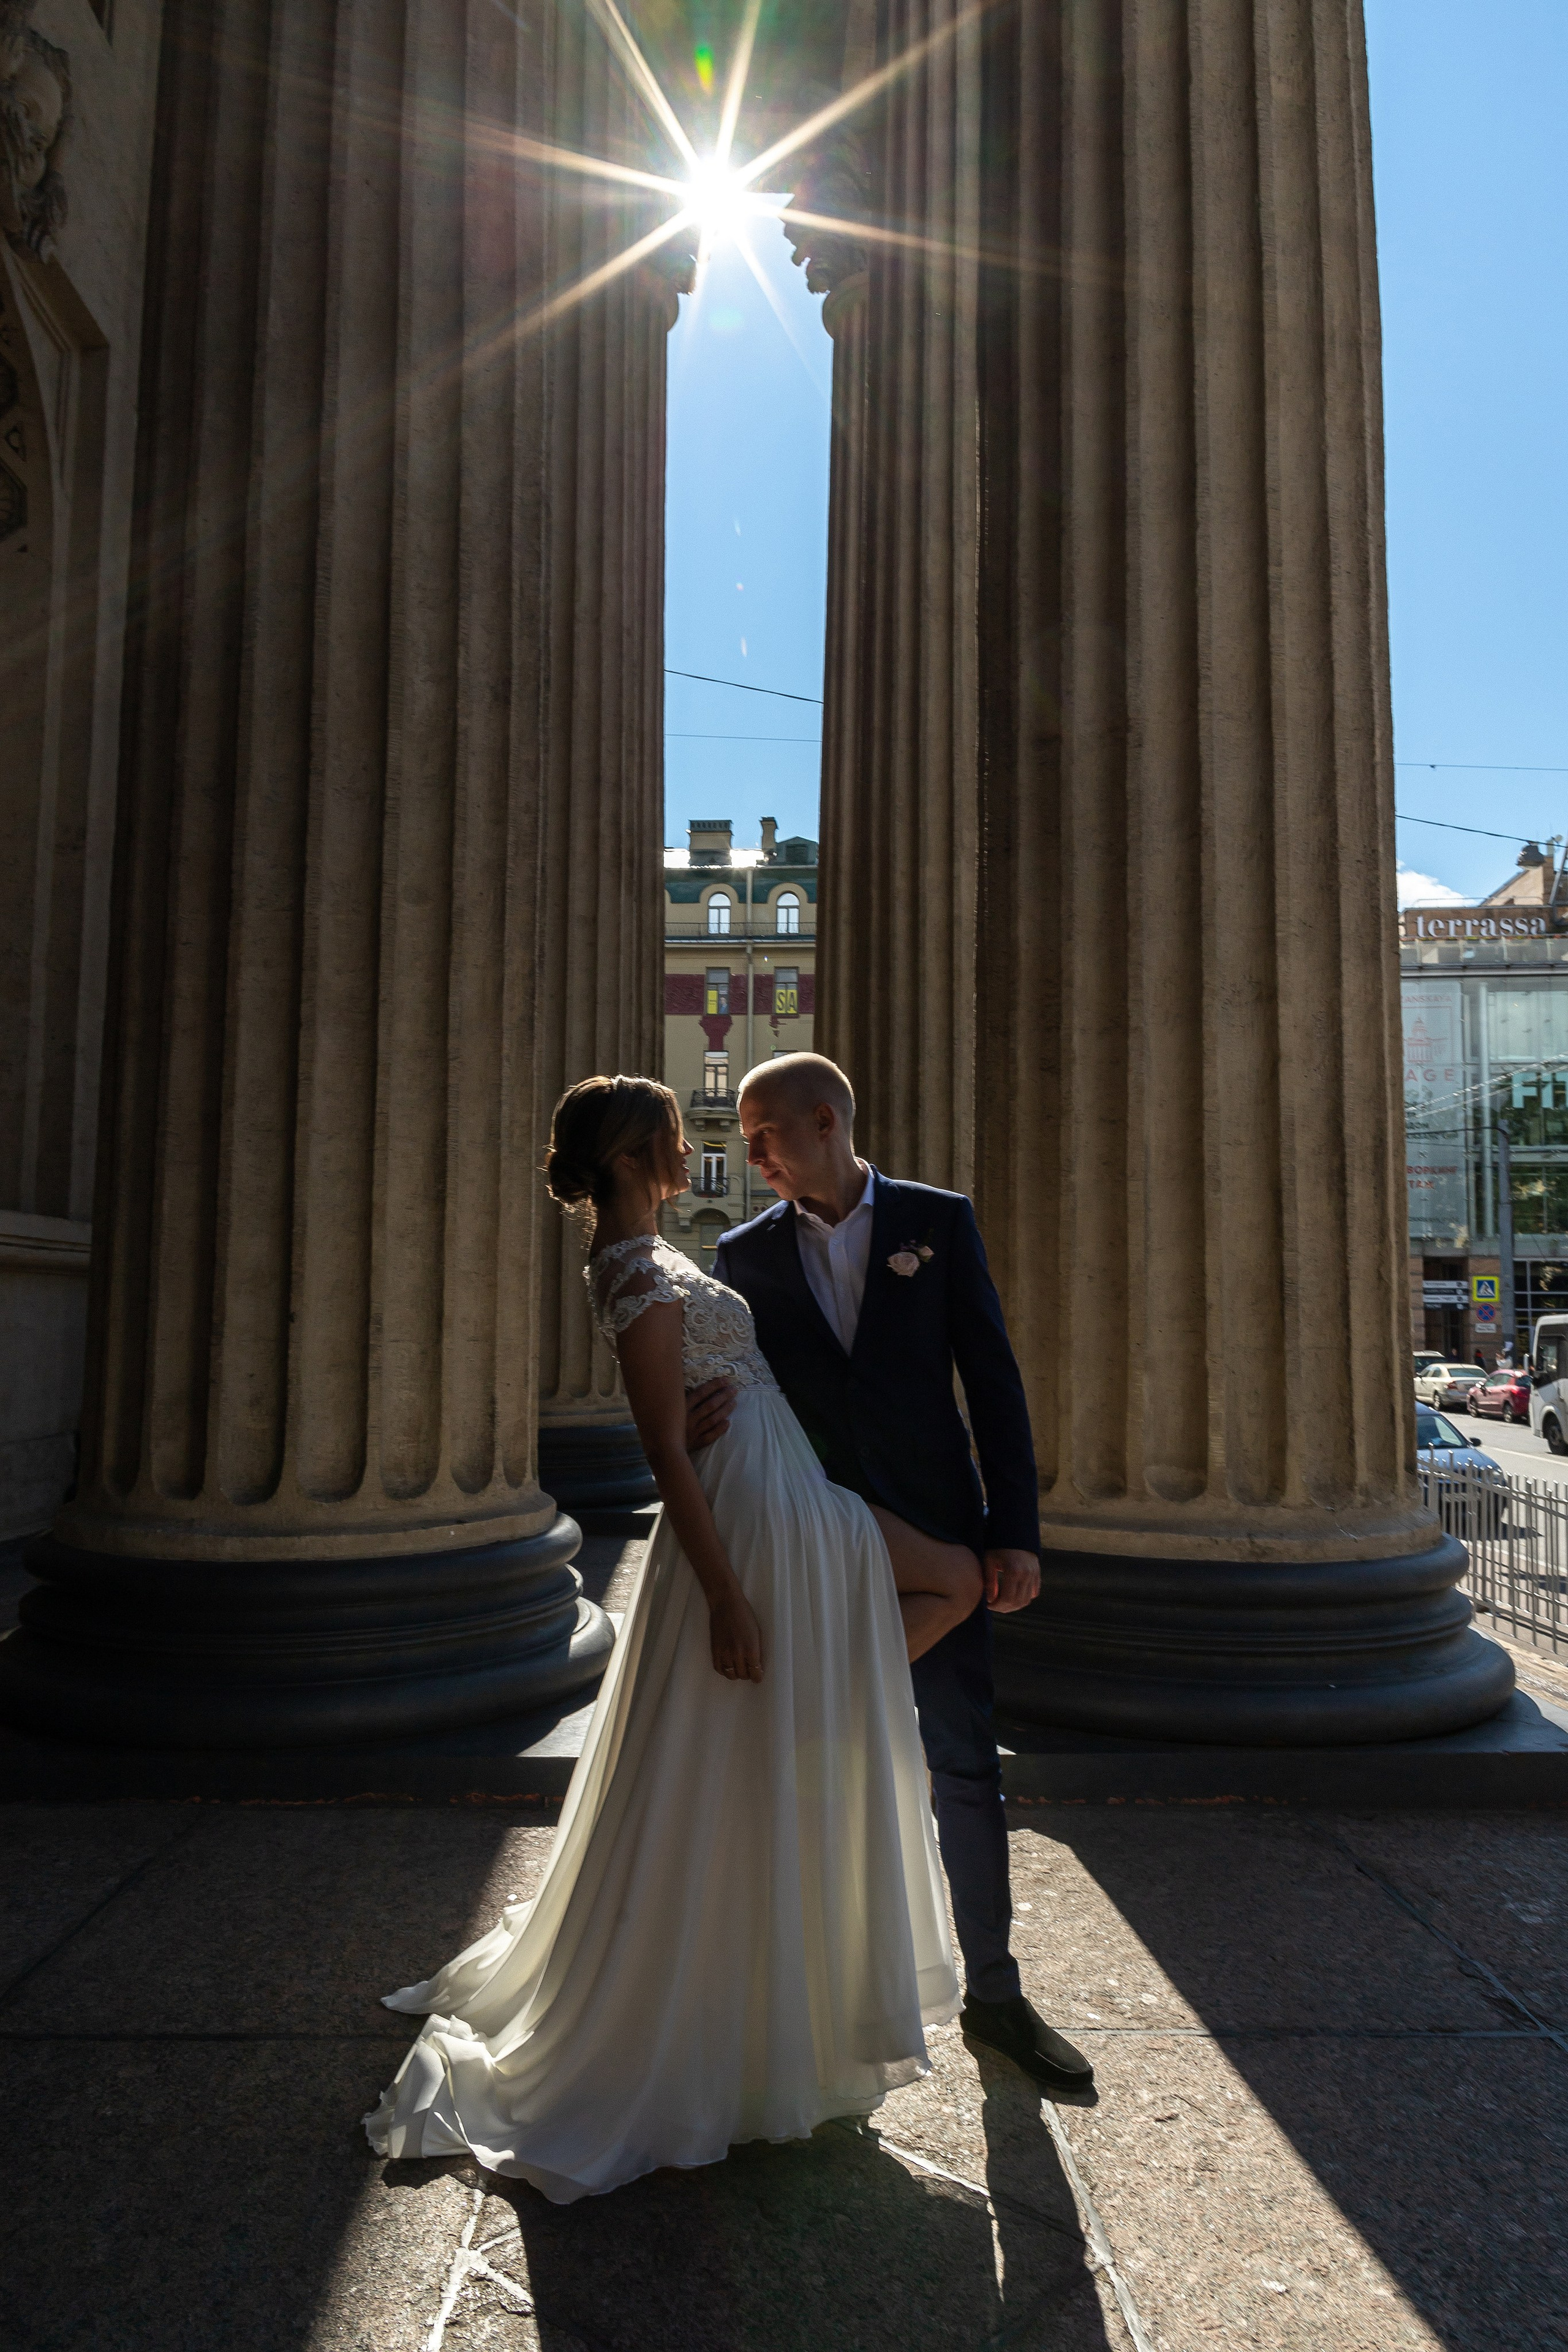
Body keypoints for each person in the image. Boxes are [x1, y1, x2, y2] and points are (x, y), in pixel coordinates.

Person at [364, 1074, 977, 2203]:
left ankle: (831, 1733)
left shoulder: (651, 1259)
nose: (703, 1148)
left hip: (785, 1491)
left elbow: (695, 1395)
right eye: (687, 1135)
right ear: (644, 1151)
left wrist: (712, 1402)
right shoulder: (634, 1268)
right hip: (756, 1519)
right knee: (945, 1588)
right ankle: (728, 2022)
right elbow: (661, 1450)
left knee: (948, 1588)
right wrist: (726, 1596)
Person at [695, 1052, 1091, 2097]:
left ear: (824, 1122)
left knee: (964, 1763)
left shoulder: (938, 1220)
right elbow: (743, 1390)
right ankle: (807, 1996)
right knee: (815, 1769)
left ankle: (996, 1996)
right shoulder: (742, 1254)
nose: (751, 1155)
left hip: (943, 1534)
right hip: (816, 1538)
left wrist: (1016, 1534)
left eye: (763, 1135)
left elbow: (993, 1381)